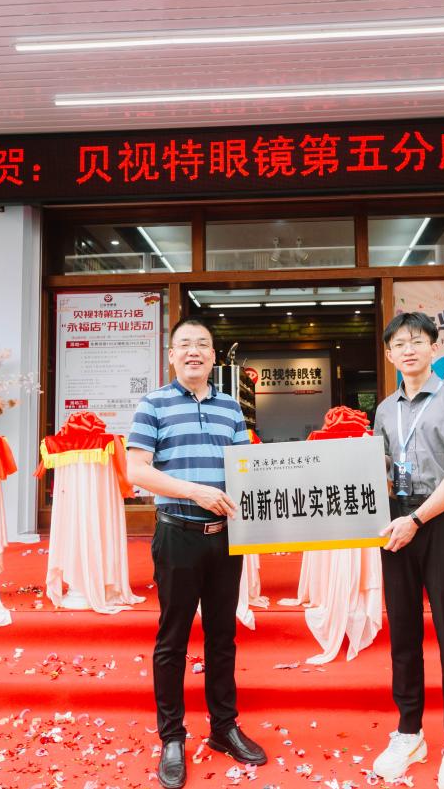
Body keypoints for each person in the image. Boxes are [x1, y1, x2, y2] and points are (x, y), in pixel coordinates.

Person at [126, 317, 267, 789]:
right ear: (171, 356)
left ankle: (224, 728)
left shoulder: (230, 407)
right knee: (173, 639)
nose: (194, 351)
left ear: (212, 356)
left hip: (226, 537)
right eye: (184, 344)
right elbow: (136, 471)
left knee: (223, 637)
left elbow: (247, 468)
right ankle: (172, 737)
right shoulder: (154, 404)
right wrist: (194, 491)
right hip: (178, 535)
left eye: (202, 345)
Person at [371, 311, 444, 789]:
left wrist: (417, 519)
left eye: (417, 341)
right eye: (399, 344)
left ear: (433, 348)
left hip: (437, 524)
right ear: (389, 355)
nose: (409, 350)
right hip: (394, 524)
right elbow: (377, 468)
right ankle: (409, 732)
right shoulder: (385, 409)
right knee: (402, 633)